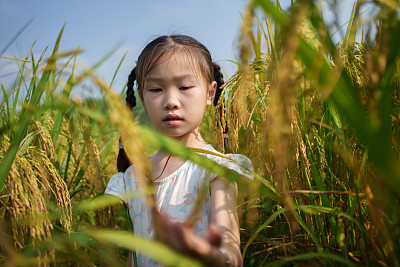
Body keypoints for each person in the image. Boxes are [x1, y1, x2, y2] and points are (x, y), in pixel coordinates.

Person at [105, 35, 253, 267]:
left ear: (210, 93)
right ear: (142, 97)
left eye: (184, 87)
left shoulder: (217, 169)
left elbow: (231, 251)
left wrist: (207, 254)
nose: (171, 101)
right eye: (156, 89)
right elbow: (136, 254)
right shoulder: (135, 175)